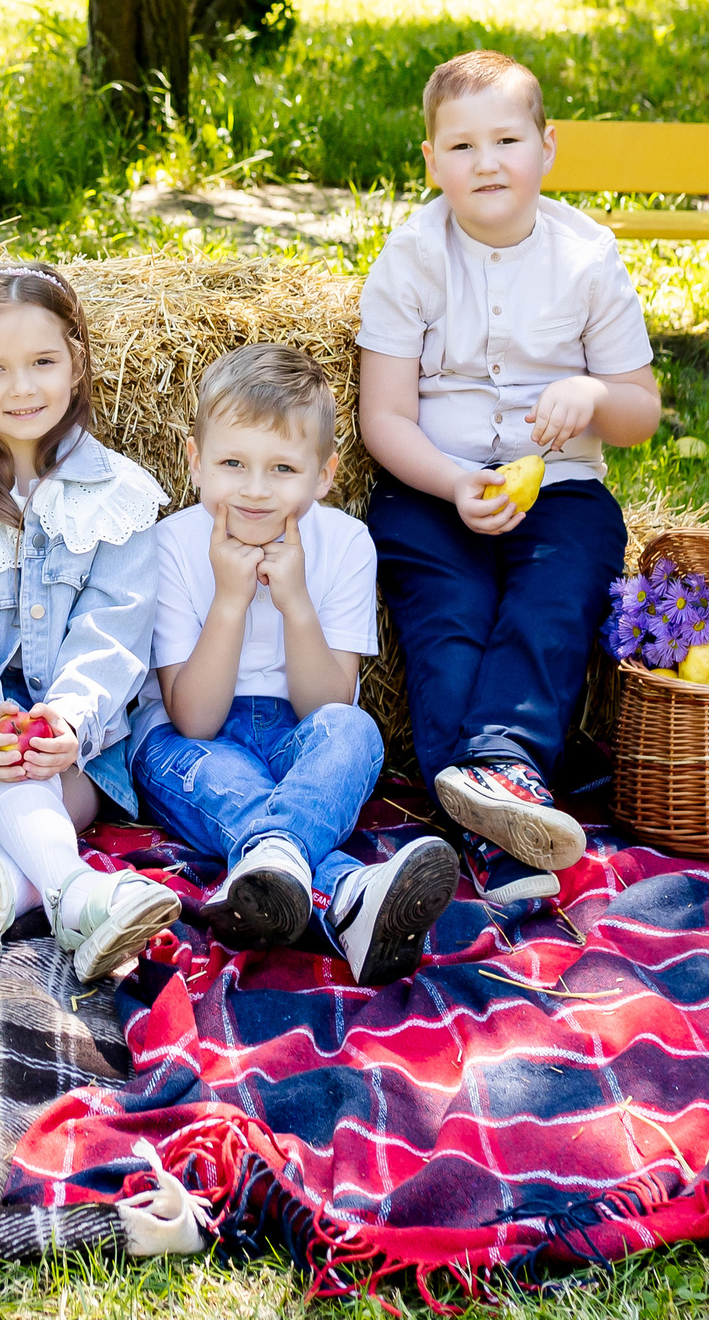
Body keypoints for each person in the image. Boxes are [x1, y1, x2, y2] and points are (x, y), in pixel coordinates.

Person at [357, 49, 661, 902]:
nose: (486, 162)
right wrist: (451, 482)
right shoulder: (412, 256)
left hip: (558, 484)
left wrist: (593, 391)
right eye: (460, 147)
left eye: (506, 139)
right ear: (430, 161)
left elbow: (640, 412)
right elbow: (384, 416)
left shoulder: (587, 257)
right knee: (447, 617)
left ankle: (500, 770)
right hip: (432, 484)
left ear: (547, 146)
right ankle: (504, 823)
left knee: (553, 599)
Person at [0, 261, 181, 987]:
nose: (22, 387)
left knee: (38, 774)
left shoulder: (121, 496)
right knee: (10, 762)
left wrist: (68, 720)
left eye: (43, 361)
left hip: (79, 747)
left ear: (76, 363)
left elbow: (114, 631)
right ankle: (78, 894)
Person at [129, 345, 458, 985]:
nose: (255, 489)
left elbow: (327, 705)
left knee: (355, 733)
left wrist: (295, 602)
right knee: (222, 776)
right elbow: (193, 719)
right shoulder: (171, 543)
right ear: (195, 463)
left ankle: (278, 864)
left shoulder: (345, 544)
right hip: (187, 742)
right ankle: (348, 895)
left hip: (297, 736)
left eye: (282, 468)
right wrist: (230, 600)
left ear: (324, 474)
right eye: (232, 463)